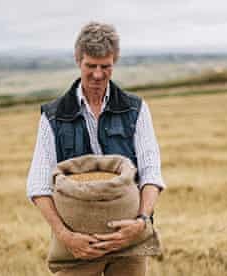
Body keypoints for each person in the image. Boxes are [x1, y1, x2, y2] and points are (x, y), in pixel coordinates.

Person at [26, 21, 166, 276]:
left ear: (115, 62)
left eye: (106, 66)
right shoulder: (52, 116)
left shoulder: (136, 109)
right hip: (76, 247)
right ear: (78, 60)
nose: (98, 75)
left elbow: (151, 173)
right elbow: (38, 186)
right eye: (91, 66)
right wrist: (65, 236)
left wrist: (141, 223)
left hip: (129, 241)